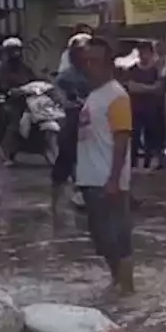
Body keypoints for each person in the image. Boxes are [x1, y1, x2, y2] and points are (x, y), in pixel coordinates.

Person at [77, 37, 136, 294]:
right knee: (100, 236)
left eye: (95, 61)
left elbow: (122, 138)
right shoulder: (94, 95)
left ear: (108, 64)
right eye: (86, 60)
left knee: (115, 235)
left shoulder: (116, 96)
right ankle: (117, 282)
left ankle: (126, 287)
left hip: (107, 179)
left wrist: (114, 179)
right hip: (91, 177)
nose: (90, 66)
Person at [53, 34, 92, 215]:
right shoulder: (66, 76)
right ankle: (56, 201)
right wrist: (67, 102)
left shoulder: (94, 73)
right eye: (79, 52)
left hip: (94, 120)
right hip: (73, 119)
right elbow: (58, 92)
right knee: (67, 157)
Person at [125, 40, 165, 172]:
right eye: (141, 52)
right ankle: (133, 163)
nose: (143, 55)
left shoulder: (156, 70)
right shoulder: (132, 69)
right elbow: (131, 87)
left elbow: (159, 87)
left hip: (151, 109)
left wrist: (141, 88)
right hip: (135, 108)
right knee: (134, 136)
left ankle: (148, 163)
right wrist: (149, 88)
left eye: (146, 52)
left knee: (150, 136)